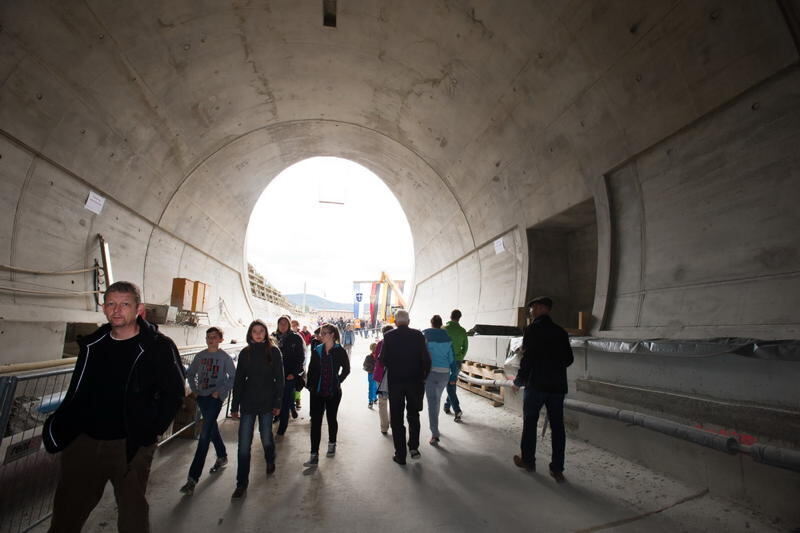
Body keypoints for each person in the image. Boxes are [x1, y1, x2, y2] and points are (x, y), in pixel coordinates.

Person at [43, 281, 185, 533]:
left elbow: (173, 393)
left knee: (132, 514)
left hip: (129, 445)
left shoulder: (157, 347)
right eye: (111, 304)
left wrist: (148, 433)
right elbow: (79, 389)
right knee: (67, 513)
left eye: (124, 304)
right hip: (84, 441)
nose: (117, 310)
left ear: (138, 309)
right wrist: (63, 426)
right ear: (103, 307)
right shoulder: (93, 344)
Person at [512, 296, 574, 482]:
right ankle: (557, 469)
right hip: (557, 386)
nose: (530, 312)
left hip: (536, 384)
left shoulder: (532, 330)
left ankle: (528, 461)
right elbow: (569, 360)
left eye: (532, 309)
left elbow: (528, 358)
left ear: (539, 308)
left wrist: (520, 380)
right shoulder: (561, 332)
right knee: (557, 427)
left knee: (530, 423)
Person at [230, 320, 284, 498]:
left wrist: (278, 403)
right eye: (255, 331)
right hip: (248, 403)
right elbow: (238, 381)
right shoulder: (245, 353)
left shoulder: (274, 352)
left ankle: (270, 459)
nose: (258, 334)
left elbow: (279, 379)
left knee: (266, 436)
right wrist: (234, 405)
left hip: (267, 403)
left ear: (266, 333)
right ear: (250, 334)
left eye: (261, 331)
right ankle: (241, 483)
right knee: (244, 445)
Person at [180, 326, 236, 495]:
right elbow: (191, 373)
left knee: (204, 435)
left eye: (214, 337)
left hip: (214, 399)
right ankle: (222, 455)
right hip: (202, 397)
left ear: (220, 339)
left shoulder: (224, 358)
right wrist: (195, 390)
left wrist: (221, 392)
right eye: (208, 337)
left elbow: (233, 377)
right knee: (211, 429)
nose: (211, 339)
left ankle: (192, 479)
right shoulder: (200, 356)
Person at [380, 310, 431, 465]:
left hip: (396, 383)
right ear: (408, 321)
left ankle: (400, 455)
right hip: (415, 383)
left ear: (395, 322)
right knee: (413, 415)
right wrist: (423, 377)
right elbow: (426, 360)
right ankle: (414, 448)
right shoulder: (418, 336)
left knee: (397, 418)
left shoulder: (388, 337)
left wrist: (394, 368)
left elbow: (383, 359)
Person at [303, 323, 350, 467]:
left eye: (324, 333)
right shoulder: (317, 350)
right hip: (317, 392)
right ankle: (314, 454)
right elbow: (311, 370)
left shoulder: (340, 351)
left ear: (332, 335)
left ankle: (332, 443)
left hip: (333, 392)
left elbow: (346, 369)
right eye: (321, 333)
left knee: (331, 418)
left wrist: (338, 381)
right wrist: (310, 386)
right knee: (315, 422)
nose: (320, 335)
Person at [422, 315, 457, 446]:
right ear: (441, 324)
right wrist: (454, 376)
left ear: (431, 324)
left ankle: (434, 434)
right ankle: (435, 427)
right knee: (436, 400)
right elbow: (452, 359)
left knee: (432, 402)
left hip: (430, 373)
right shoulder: (448, 338)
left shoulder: (425, 335)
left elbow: (422, 356)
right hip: (444, 374)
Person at [274, 316, 305, 434]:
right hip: (275, 376)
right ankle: (277, 416)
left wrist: (294, 373)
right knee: (276, 399)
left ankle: (282, 427)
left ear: (289, 325)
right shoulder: (273, 337)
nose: (282, 325)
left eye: (285, 323)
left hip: (289, 375)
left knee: (285, 401)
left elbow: (300, 357)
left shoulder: (295, 338)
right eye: (280, 323)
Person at [443, 309, 468, 422]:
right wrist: (461, 356)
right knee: (452, 383)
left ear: (450, 316)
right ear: (459, 318)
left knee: (450, 385)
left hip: (445, 360)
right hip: (457, 361)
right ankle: (447, 405)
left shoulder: (444, 329)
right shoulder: (462, 331)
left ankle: (457, 410)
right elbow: (465, 346)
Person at [372, 324, 394, 435]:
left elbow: (377, 359)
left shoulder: (380, 343)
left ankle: (384, 427)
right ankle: (393, 424)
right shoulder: (397, 344)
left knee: (382, 402)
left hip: (380, 377)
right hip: (394, 377)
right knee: (394, 402)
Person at [364, 342, 378, 408]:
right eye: (373, 348)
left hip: (378, 374)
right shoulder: (368, 357)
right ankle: (370, 401)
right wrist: (373, 368)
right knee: (371, 387)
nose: (375, 349)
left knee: (376, 387)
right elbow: (365, 365)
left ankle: (375, 398)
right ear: (371, 349)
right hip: (371, 374)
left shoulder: (379, 356)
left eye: (376, 348)